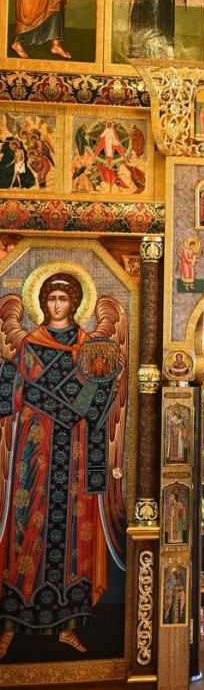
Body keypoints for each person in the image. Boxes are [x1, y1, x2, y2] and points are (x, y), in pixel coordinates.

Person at [0, 273, 127, 659]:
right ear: (42, 302)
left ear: (74, 303)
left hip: (73, 454)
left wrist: (83, 397)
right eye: (51, 298)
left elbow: (101, 392)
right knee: (25, 527)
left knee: (71, 532)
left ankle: (67, 627)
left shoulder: (90, 346)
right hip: (35, 449)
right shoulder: (30, 345)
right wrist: (13, 380)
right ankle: (10, 626)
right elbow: (11, 395)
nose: (56, 305)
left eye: (63, 298)